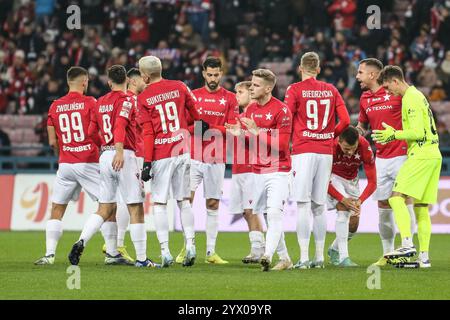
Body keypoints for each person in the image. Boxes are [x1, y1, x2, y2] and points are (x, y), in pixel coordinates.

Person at [68, 65, 156, 268]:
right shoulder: (126, 100)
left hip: (105, 155)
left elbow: (90, 131)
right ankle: (142, 259)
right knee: (135, 207)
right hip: (122, 154)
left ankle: (82, 240)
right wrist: (118, 151)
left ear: (108, 82)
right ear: (126, 80)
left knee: (105, 207)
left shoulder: (99, 102)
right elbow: (120, 125)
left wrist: (106, 148)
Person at [34, 67, 121, 265]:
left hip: (65, 164)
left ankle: (49, 255)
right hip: (88, 161)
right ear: (84, 82)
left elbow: (51, 142)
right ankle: (112, 254)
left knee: (57, 208)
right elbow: (96, 130)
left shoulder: (55, 106)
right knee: (108, 205)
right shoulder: (91, 102)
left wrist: (63, 154)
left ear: (68, 82)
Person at [284, 51, 350, 269]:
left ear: (300, 68)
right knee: (319, 206)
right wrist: (330, 134)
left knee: (303, 204)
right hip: (325, 151)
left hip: (303, 151)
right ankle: (319, 258)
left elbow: (288, 119)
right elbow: (346, 120)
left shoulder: (294, 89)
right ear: (319, 69)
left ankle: (303, 258)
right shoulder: (331, 89)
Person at [372, 65, 442, 268]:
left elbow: (418, 132)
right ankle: (424, 257)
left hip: (420, 154)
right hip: (433, 155)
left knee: (395, 198)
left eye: (387, 87)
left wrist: (394, 134)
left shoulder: (410, 98)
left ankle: (406, 244)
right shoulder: (418, 96)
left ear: (396, 81)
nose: (387, 92)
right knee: (421, 208)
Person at [137, 55, 203, 267]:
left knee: (159, 204)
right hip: (182, 150)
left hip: (162, 153)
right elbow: (196, 116)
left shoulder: (144, 97)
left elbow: (148, 133)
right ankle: (191, 245)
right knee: (184, 200)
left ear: (145, 76)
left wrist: (147, 163)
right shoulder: (180, 86)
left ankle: (165, 251)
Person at [225, 69, 293, 272]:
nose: (251, 88)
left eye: (255, 85)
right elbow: (252, 142)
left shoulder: (282, 111)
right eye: (251, 84)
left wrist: (256, 131)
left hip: (278, 170)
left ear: (268, 88)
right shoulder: (251, 110)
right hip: (257, 171)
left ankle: (267, 255)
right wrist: (240, 134)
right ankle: (285, 258)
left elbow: (281, 146)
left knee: (273, 213)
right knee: (266, 214)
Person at [177, 56, 238, 265]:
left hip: (217, 158)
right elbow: (184, 124)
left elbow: (233, 128)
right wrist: (197, 129)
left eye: (216, 74)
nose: (213, 78)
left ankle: (211, 252)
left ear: (221, 73)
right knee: (186, 201)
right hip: (193, 157)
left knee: (212, 204)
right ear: (203, 73)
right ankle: (187, 248)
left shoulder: (230, 98)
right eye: (209, 74)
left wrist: (210, 129)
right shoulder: (192, 96)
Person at [355, 58, 415, 267]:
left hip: (403, 154)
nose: (357, 77)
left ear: (373, 75)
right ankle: (388, 253)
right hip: (381, 158)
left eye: (360, 72)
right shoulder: (364, 98)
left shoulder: (397, 93)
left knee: (404, 201)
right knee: (383, 203)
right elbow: (363, 125)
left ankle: (409, 248)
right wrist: (356, 133)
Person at [101, 68, 146, 263]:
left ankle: (115, 245)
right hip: (131, 152)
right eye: (143, 81)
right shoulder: (131, 100)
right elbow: (124, 127)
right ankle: (118, 243)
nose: (146, 83)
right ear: (133, 82)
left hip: (114, 152)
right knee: (133, 201)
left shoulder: (113, 101)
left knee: (119, 200)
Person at [326, 126, 377, 267]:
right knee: (344, 209)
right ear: (339, 141)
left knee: (353, 225)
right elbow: (323, 180)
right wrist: (342, 199)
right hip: (333, 177)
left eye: (353, 148)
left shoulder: (364, 147)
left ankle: (334, 249)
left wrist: (360, 200)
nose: (350, 152)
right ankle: (344, 258)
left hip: (352, 181)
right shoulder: (330, 146)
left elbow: (373, 182)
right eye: (346, 148)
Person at [228, 81, 265, 264]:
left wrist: (240, 134)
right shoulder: (241, 116)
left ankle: (258, 250)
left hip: (252, 169)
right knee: (246, 211)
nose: (236, 95)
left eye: (240, 92)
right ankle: (258, 248)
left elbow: (260, 141)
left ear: (251, 94)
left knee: (252, 209)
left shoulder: (255, 116)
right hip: (238, 168)